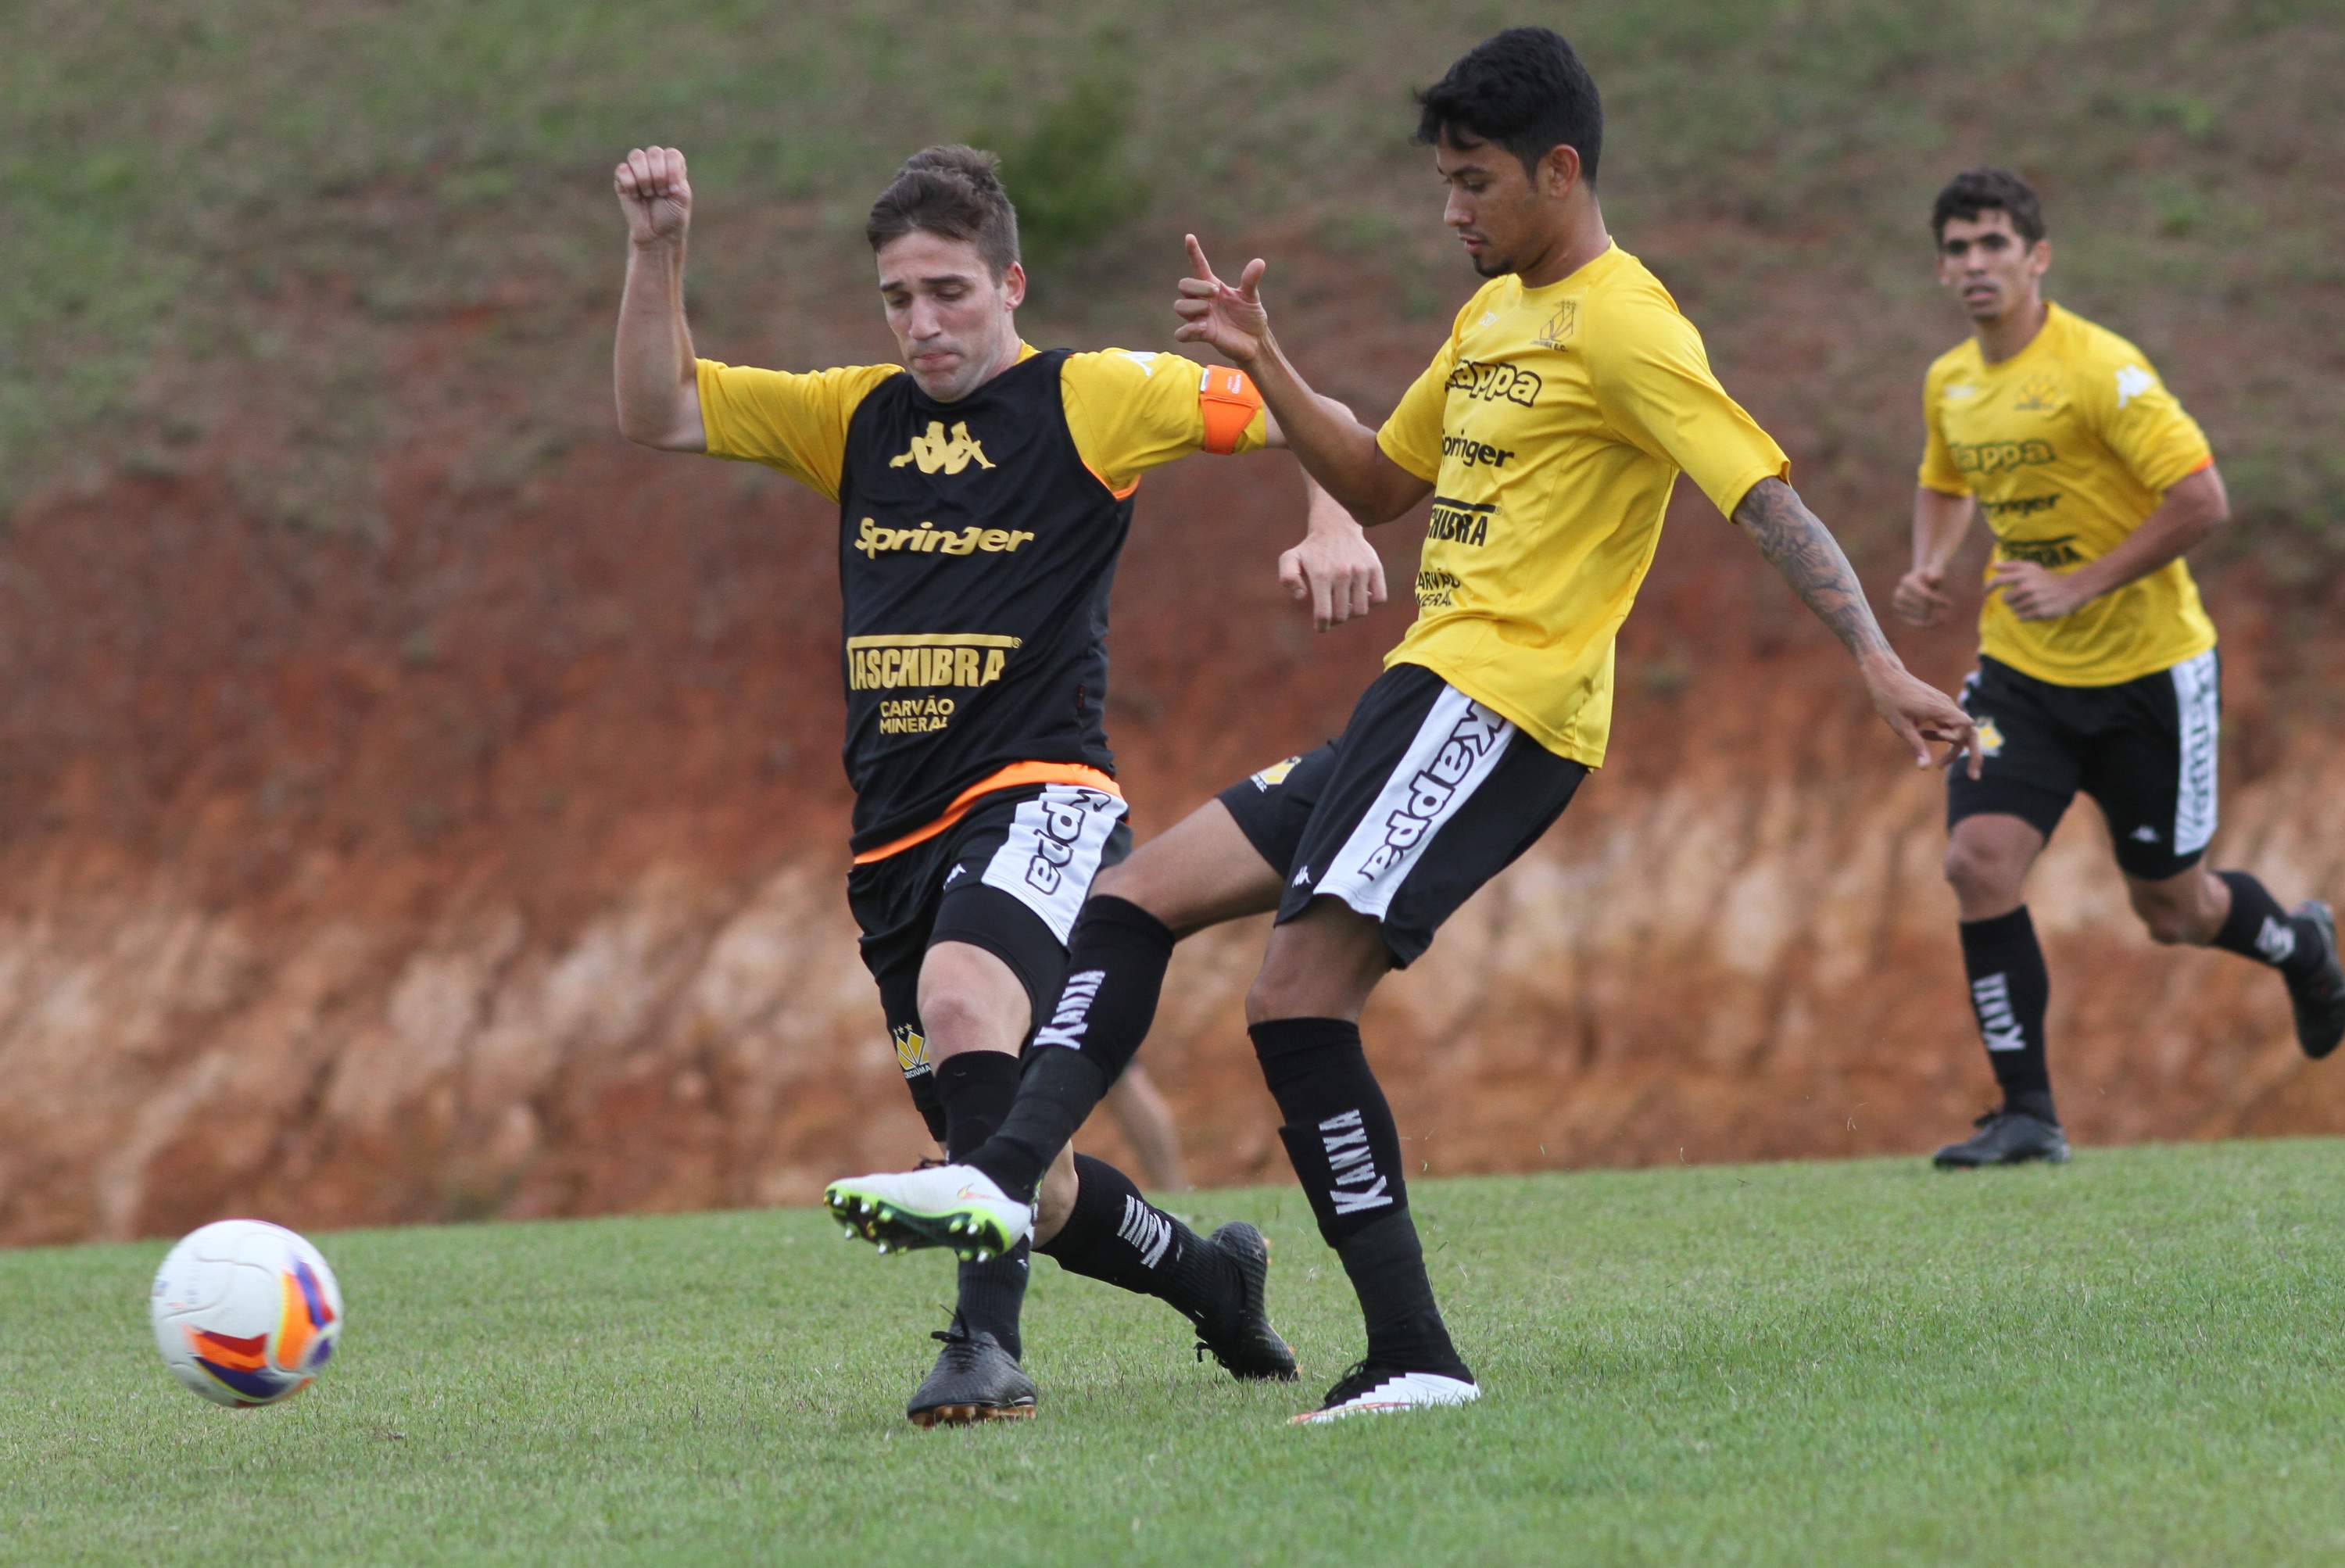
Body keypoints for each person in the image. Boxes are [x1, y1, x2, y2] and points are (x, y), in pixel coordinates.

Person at [825, 28, 1980, 1423]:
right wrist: (1268, 360)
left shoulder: (1629, 323)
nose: (1450, 211)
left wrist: (1875, 657)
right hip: (1419, 692)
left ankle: (1408, 1348)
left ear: (1560, 171)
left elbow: (1762, 494)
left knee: (1295, 997)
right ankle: (1005, 1178)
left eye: (1473, 182)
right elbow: (1379, 481)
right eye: (1443, 181)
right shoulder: (1492, 320)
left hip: (1507, 706)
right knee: (1135, 898)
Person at [613, 142, 1389, 1424]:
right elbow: (662, 410)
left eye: (949, 292)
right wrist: (658, 250)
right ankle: (1215, 1282)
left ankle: (984, 1349)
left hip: (1046, 795)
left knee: (964, 996)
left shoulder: (1091, 397)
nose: (922, 323)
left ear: (1011, 284)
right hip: (893, 844)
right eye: (898, 298)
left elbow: (1301, 410)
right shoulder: (854, 417)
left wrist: (1334, 518)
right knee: (1028, 1174)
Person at [1891, 169, 2345, 1169]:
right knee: (1976, 862)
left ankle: (2302, 946)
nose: (1976, 263)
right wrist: (1931, 563)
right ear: (1941, 269)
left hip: (2150, 677)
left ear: (2038, 257)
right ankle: (2028, 1115)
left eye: (1995, 244)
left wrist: (2080, 584)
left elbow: (2202, 498)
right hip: (2019, 679)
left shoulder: (2101, 368)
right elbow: (1943, 478)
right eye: (1959, 248)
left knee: (2173, 911)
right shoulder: (1951, 381)